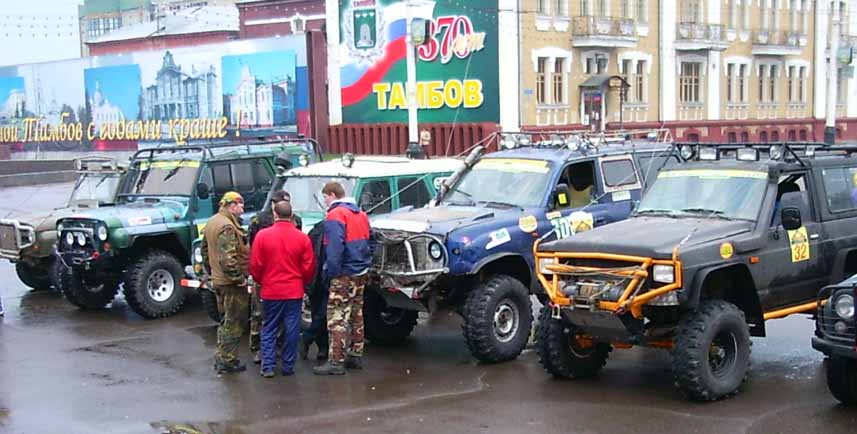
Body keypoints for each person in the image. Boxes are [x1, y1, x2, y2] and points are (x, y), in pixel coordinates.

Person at [250, 201, 315, 377]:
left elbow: (255, 265)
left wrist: (261, 280)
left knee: (269, 327)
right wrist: (301, 281)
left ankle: (268, 366)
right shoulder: (302, 238)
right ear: (291, 216)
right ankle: (288, 366)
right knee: (292, 328)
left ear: (275, 215)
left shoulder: (262, 236)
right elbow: (309, 266)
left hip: (271, 290)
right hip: (294, 291)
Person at [314, 181, 373, 376]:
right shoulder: (361, 214)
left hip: (344, 274)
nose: (324, 201)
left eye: (325, 197)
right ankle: (355, 354)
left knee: (337, 317)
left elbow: (334, 247)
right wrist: (365, 262)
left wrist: (331, 273)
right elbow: (372, 240)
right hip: (361, 271)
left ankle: (336, 361)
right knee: (356, 314)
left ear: (332, 195)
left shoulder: (335, 215)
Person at [248, 190, 303, 364]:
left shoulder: (296, 221)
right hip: (266, 275)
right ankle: (258, 348)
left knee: (283, 320)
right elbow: (253, 247)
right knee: (259, 314)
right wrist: (258, 277)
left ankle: (278, 347)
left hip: (283, 276)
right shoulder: (259, 220)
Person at [201, 191, 250, 375]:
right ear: (232, 205)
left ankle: (223, 356)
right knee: (233, 321)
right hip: (230, 283)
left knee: (226, 320)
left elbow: (205, 251)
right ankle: (227, 360)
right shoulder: (227, 227)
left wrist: (211, 272)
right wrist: (239, 279)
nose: (242, 208)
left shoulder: (212, 222)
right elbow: (228, 259)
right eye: (240, 204)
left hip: (219, 280)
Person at [300, 221, 329, 361]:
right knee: (320, 314)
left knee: (320, 314)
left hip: (317, 278)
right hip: (321, 279)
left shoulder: (315, 231)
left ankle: (310, 340)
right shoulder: (318, 231)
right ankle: (321, 346)